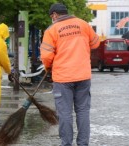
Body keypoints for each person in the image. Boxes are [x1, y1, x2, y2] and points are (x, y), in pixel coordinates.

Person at [40, 3, 100, 146]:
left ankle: (66, 143)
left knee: (65, 113)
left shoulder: (51, 30)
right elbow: (96, 43)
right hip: (83, 76)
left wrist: (48, 67)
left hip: (63, 78)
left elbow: (47, 56)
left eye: (51, 16)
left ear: (54, 15)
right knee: (83, 111)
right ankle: (83, 143)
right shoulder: (83, 24)